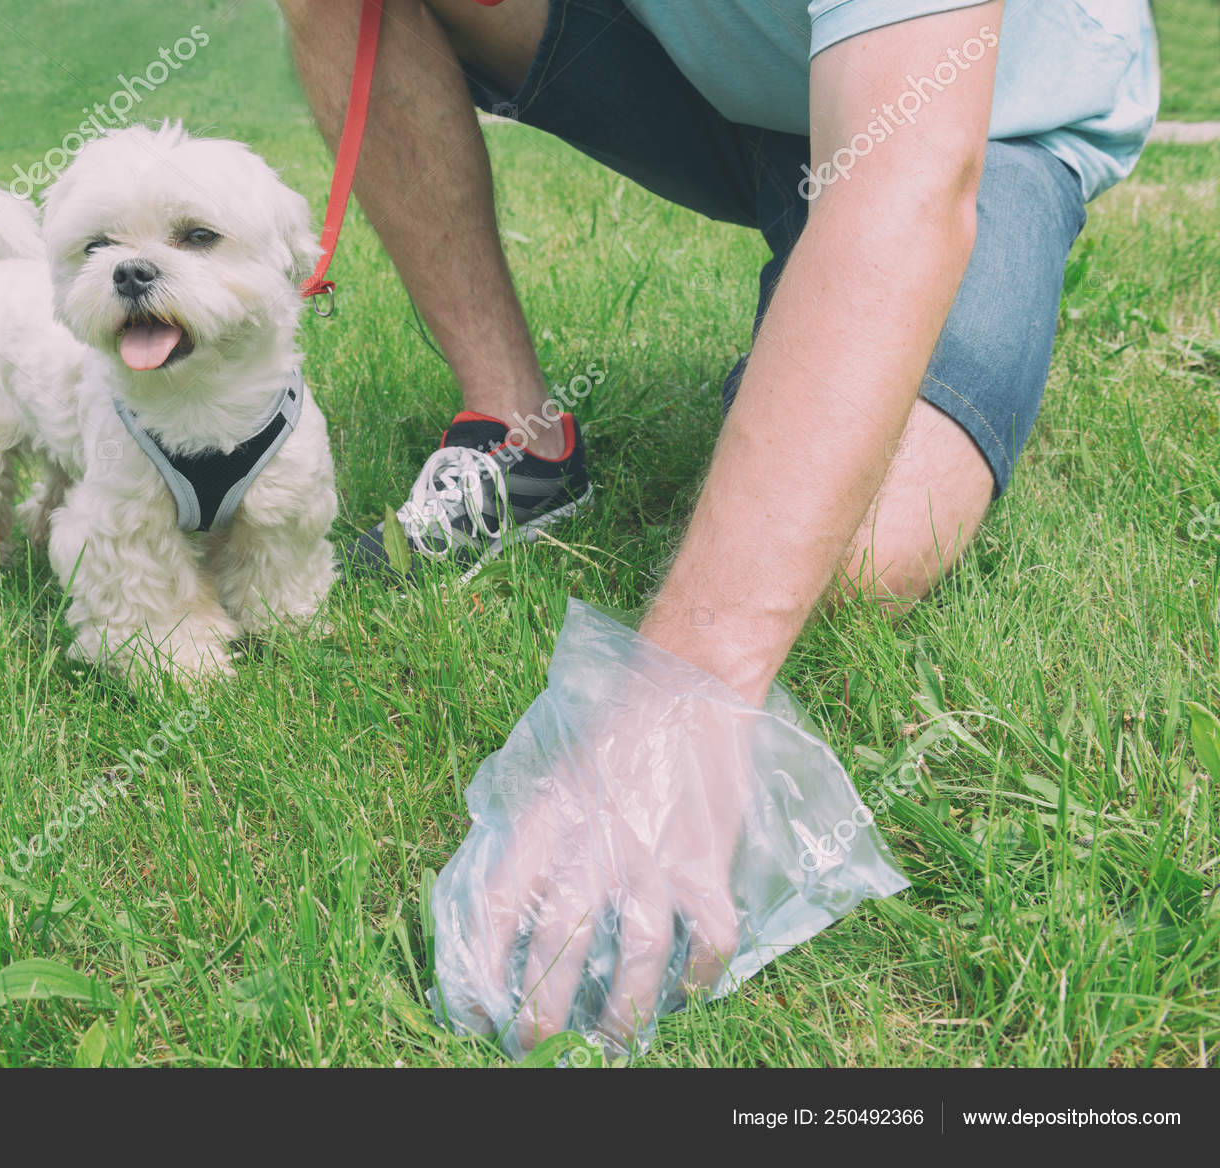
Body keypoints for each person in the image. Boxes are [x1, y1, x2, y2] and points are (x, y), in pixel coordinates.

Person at [276, 0, 1157, 1049]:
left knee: (862, 548)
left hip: (977, 115)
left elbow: (899, 181)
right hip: (732, 87)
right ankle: (520, 439)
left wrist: (677, 699)